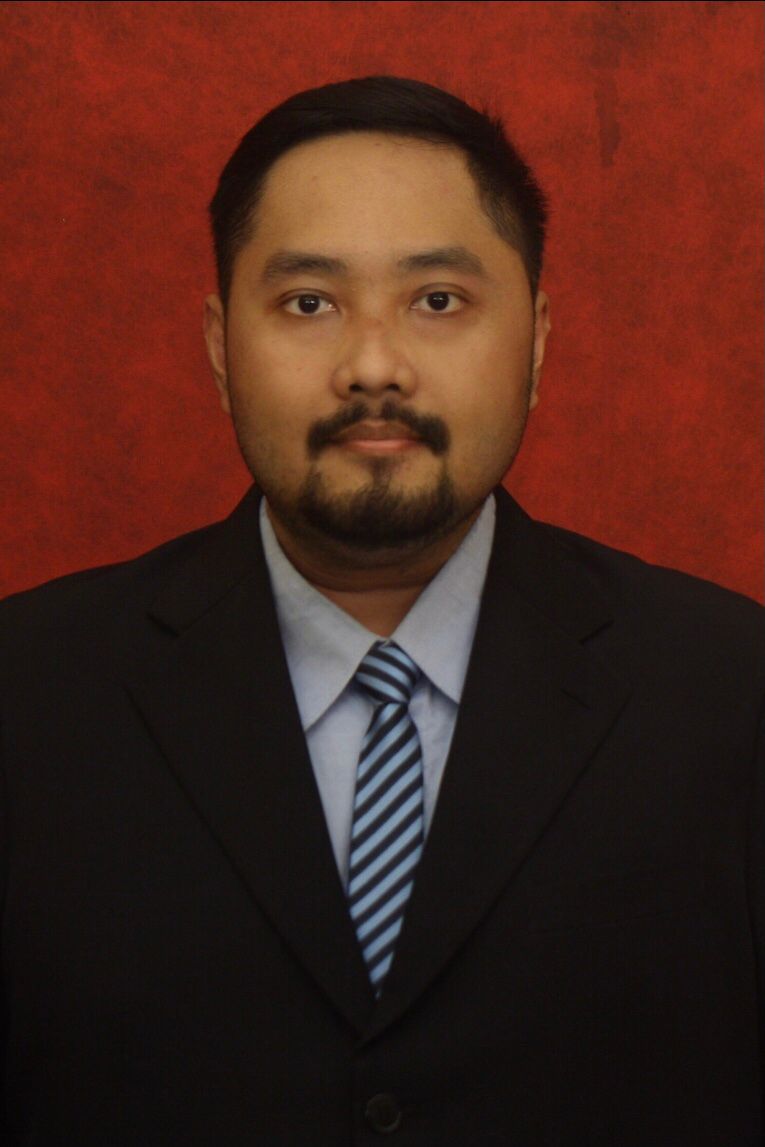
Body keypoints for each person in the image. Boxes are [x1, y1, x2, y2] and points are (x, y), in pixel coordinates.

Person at [1, 75, 763, 1146]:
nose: (372, 367)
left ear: (537, 339)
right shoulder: (28, 695)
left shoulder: (732, 696)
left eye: (437, 300)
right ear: (220, 346)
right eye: (309, 303)